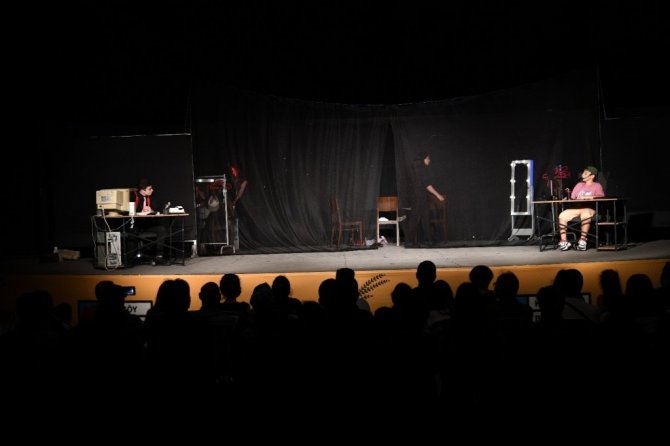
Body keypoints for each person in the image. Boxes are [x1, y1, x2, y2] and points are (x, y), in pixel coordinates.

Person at [557, 166, 605, 251]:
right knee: (562, 215)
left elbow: (601, 197)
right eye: (583, 173)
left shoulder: (597, 185)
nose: (583, 175)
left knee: (585, 215)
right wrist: (566, 198)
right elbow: (572, 197)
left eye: (586, 173)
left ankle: (582, 240)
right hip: (577, 207)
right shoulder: (579, 185)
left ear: (592, 176)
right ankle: (564, 241)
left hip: (589, 208)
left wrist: (588, 197)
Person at [405, 151, 446, 247]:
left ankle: (427, 241)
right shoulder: (421, 169)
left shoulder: (416, 169)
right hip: (419, 197)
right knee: (416, 218)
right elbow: (427, 185)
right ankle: (410, 242)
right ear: (423, 159)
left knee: (424, 218)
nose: (429, 160)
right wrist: (438, 195)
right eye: (428, 158)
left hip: (418, 196)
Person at [132, 179, 168, 262]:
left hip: (146, 226)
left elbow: (157, 212)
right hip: (135, 226)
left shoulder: (151, 198)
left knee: (161, 229)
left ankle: (159, 256)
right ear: (143, 190)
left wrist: (151, 210)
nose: (152, 190)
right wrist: (140, 212)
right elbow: (127, 212)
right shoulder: (134, 197)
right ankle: (132, 257)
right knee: (131, 232)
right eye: (150, 189)